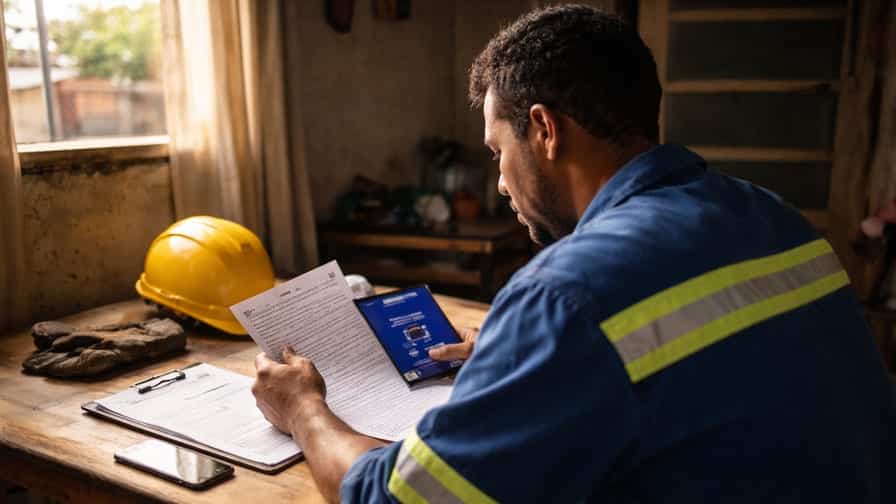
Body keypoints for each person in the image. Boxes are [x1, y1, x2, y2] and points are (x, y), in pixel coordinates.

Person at [252, 5, 896, 502]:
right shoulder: (773, 215)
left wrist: (304, 405)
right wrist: (535, 356)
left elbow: (393, 498)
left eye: (497, 150)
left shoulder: (567, 295)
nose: (500, 181)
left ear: (544, 130)